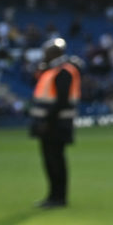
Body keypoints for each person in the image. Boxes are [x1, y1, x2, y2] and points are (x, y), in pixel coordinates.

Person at [28, 37, 81, 208]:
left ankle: (59, 197)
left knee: (56, 160)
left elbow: (62, 100)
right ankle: (53, 195)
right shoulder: (51, 70)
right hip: (49, 123)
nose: (45, 54)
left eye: (48, 52)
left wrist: (47, 121)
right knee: (49, 160)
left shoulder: (64, 71)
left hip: (56, 124)